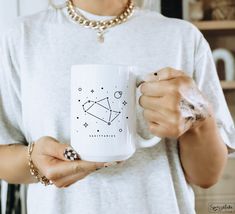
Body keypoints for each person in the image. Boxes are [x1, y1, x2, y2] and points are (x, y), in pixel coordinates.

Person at [0, 0, 235, 213]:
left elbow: (206, 176)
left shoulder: (184, 37)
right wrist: (34, 161)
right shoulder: (20, 37)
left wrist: (199, 119)